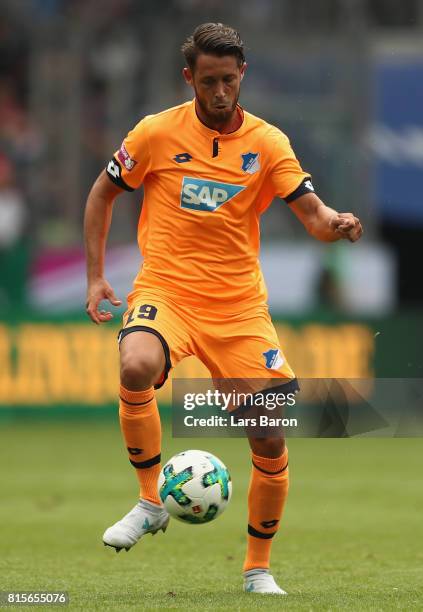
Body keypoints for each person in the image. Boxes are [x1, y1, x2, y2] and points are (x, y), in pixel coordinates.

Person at [84, 22, 363, 595]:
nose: (218, 92)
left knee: (268, 438)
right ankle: (149, 501)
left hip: (238, 309)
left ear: (243, 77)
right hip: (167, 291)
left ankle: (257, 569)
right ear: (189, 77)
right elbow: (103, 192)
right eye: (208, 81)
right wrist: (94, 278)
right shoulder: (155, 133)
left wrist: (335, 223)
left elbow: (311, 214)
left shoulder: (267, 142)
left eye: (228, 81)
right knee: (135, 364)